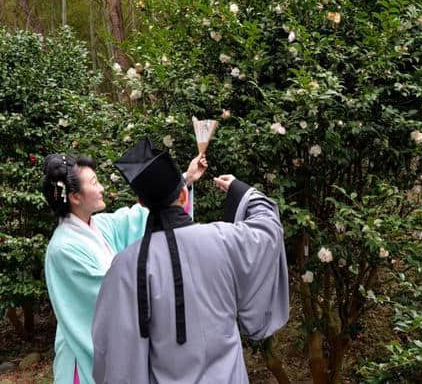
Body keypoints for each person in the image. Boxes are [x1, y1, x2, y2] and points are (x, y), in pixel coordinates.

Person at [91, 137, 289, 384]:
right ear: (184, 195)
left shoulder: (125, 267)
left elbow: (113, 354)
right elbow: (268, 229)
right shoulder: (223, 240)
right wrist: (242, 191)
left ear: (141, 203)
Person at [42, 151, 207, 384]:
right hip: (84, 356)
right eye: (94, 183)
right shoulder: (63, 249)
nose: (101, 188)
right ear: (75, 197)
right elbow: (110, 299)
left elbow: (138, 216)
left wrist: (183, 182)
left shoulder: (98, 225)